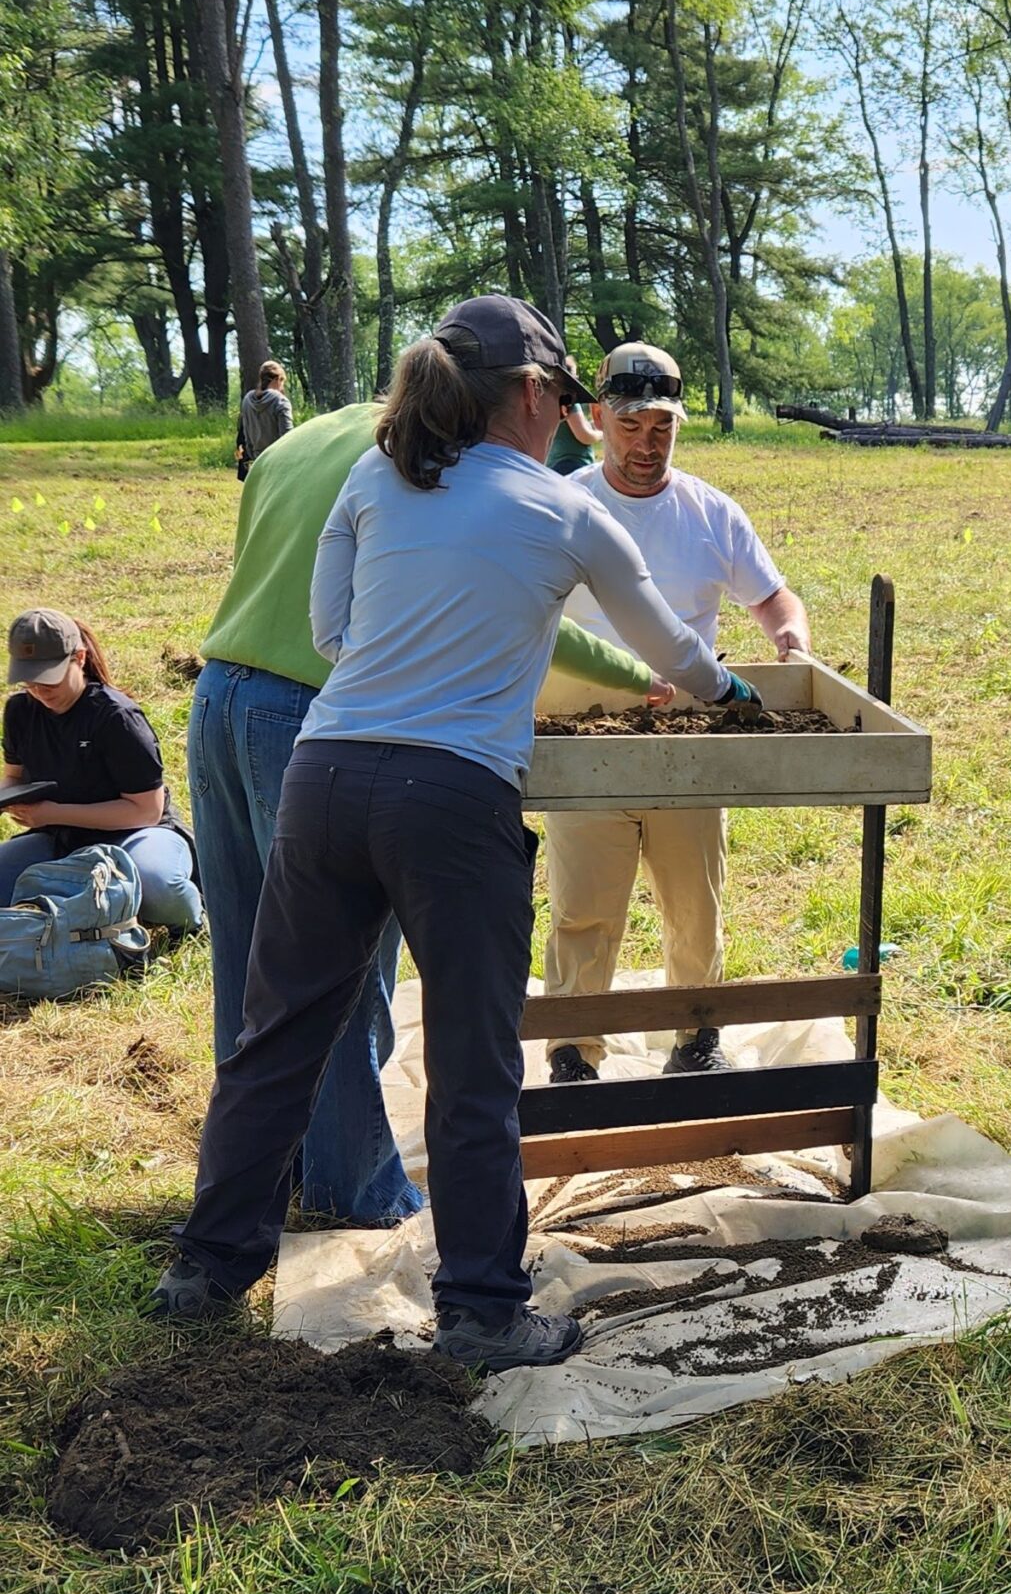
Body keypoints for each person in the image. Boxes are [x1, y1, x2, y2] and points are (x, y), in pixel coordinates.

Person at [152, 295, 753, 1373]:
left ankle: (205, 1266)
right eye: (563, 398)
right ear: (530, 397)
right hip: (454, 800)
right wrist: (728, 689)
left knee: (277, 1032)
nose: (565, 417)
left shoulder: (374, 479)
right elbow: (669, 642)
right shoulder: (562, 511)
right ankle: (480, 1308)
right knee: (473, 1062)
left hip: (325, 776)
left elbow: (334, 634)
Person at [192, 401, 662, 1227]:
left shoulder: (302, 442)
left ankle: (252, 1193)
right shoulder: (436, 464)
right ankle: (354, 1188)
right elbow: (521, 618)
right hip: (324, 716)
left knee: (259, 971)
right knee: (346, 973)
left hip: (221, 695)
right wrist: (638, 678)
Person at [541, 339, 813, 1084]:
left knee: (695, 904)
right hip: (585, 735)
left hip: (693, 734)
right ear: (597, 420)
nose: (646, 444)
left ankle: (696, 1038)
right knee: (584, 909)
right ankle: (574, 1049)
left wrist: (789, 633)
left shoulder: (709, 512)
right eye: (630, 426)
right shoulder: (565, 505)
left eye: (662, 427)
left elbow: (770, 595)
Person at [2, 609, 202, 932]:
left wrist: (53, 813)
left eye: (48, 676)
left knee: (157, 884)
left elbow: (146, 811)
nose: (38, 689)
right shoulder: (19, 712)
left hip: (136, 834)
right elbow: (13, 776)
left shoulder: (116, 717)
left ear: (79, 658)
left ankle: (196, 920)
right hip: (59, 836)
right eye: (28, 678)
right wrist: (10, 800)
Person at [235, 361, 293, 480]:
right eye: (282, 382)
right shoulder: (281, 401)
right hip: (279, 462)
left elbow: (246, 434)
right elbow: (288, 437)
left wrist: (252, 456)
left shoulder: (247, 400)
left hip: (257, 461)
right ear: (278, 379)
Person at [545, 356, 601, 475]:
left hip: (554, 465)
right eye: (575, 375)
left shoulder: (550, 401)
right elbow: (584, 436)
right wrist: (602, 433)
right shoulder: (569, 403)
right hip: (574, 465)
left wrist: (591, 424)